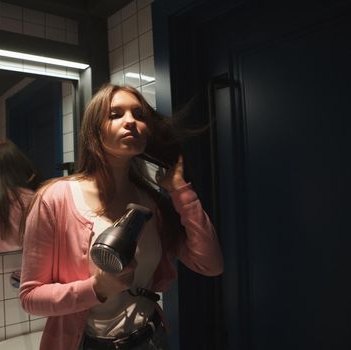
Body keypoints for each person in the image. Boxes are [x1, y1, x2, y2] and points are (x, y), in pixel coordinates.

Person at [19, 84, 224, 349]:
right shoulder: (56, 198)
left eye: (139, 115)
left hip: (152, 338)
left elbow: (211, 264)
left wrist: (180, 191)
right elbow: (30, 296)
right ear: (95, 129)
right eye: (115, 114)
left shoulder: (153, 203)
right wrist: (97, 288)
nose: (131, 122)